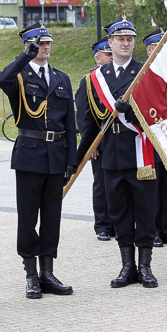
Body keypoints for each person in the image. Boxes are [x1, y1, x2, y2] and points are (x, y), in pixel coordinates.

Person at [0, 22, 77, 299]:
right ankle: (31, 274)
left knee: (52, 216)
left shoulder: (61, 78)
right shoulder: (19, 76)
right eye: (40, 43)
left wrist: (71, 159)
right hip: (30, 155)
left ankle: (48, 273)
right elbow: (1, 80)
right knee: (28, 217)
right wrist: (24, 57)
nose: (46, 47)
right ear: (28, 45)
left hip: (56, 154)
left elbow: (70, 122)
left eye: (48, 42)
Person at [77, 16, 160, 289]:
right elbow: (90, 123)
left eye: (130, 39)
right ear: (110, 43)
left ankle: (145, 267)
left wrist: (133, 113)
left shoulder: (146, 72)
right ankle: (127, 267)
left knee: (145, 211)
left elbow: (159, 114)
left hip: (141, 153)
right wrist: (77, 159)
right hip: (111, 155)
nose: (125, 43)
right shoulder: (96, 78)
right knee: (120, 212)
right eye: (120, 39)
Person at [74, 37, 115, 241]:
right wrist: (90, 144)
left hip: (120, 139)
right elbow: (83, 115)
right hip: (100, 140)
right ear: (98, 58)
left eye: (112, 54)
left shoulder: (119, 77)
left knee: (119, 184)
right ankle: (103, 225)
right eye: (107, 55)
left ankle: (118, 222)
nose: (111, 57)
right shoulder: (90, 81)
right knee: (101, 184)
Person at [142, 28, 167, 248]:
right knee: (152, 189)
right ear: (149, 50)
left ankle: (165, 228)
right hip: (151, 139)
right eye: (159, 46)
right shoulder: (143, 74)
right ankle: (152, 230)